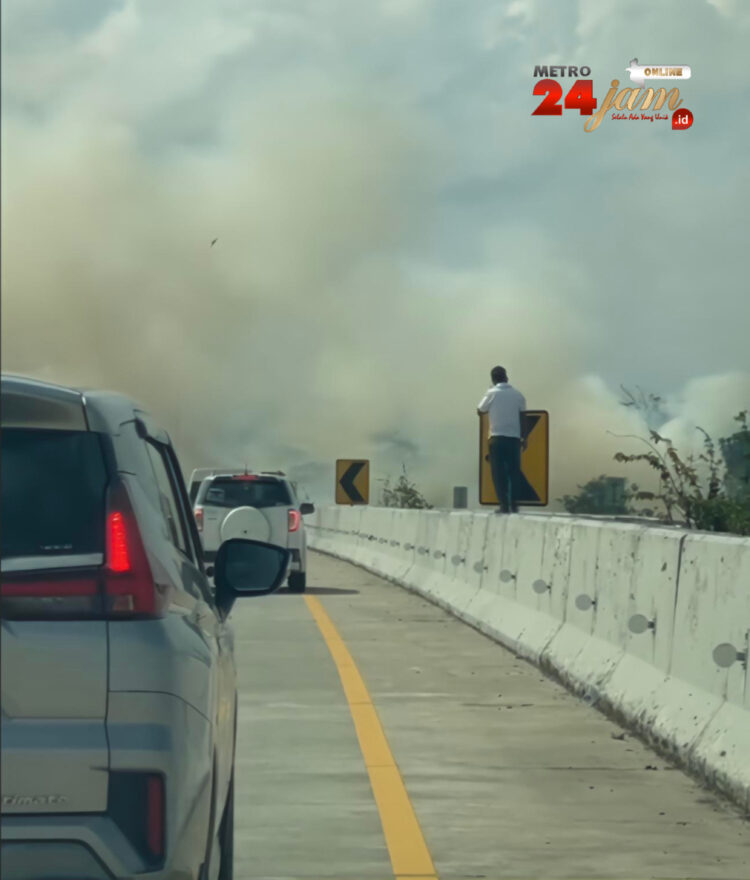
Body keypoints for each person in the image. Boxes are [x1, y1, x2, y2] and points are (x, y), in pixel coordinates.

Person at [477, 366, 527, 513]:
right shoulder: (518, 395)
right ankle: (514, 504)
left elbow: (480, 410)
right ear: (506, 377)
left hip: (497, 438)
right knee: (514, 472)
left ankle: (504, 506)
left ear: (493, 379)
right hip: (514, 439)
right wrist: (525, 437)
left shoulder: (491, 393)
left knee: (498, 474)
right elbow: (523, 417)